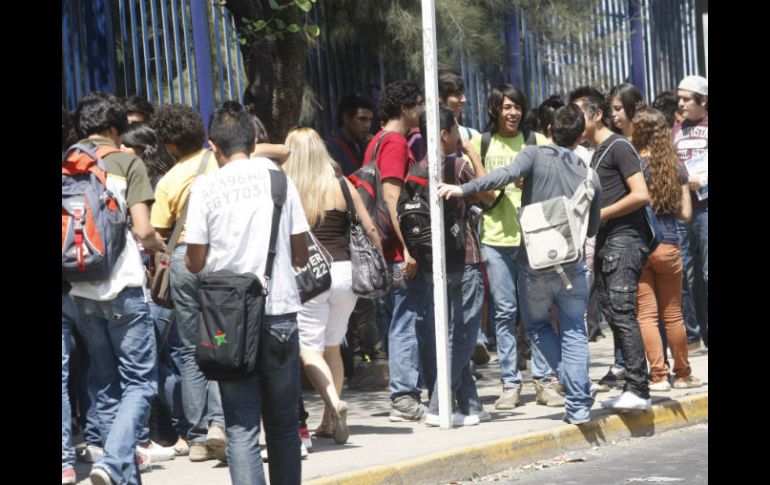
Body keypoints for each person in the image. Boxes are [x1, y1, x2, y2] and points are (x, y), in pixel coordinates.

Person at [439, 104, 603, 425]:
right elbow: (593, 228)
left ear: (551, 131)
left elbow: (503, 176)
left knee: (539, 327)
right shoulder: (590, 173)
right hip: (572, 263)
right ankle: (579, 403)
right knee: (573, 330)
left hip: (536, 261)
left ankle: (576, 390)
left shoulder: (534, 154)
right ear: (580, 136)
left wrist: (462, 188)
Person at [184, 101, 310, 485]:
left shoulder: (205, 186)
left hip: (229, 323)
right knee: (284, 425)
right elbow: (301, 253)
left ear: (212, 147)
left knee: (240, 427)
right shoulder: (277, 179)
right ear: (255, 140)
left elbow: (194, 261)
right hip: (279, 316)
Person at [67, 92, 164, 485]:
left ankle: (118, 472)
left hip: (80, 291)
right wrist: (158, 246)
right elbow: (142, 229)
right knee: (141, 383)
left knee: (105, 385)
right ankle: (115, 460)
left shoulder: (67, 163)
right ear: (113, 128)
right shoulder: (128, 162)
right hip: (122, 287)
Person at [283, 127, 382, 444]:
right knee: (333, 347)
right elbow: (369, 227)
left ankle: (334, 402)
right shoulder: (342, 184)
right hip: (345, 275)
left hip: (310, 275)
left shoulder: (289, 188)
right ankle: (329, 420)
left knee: (308, 351)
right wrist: (380, 259)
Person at [470, 84, 560, 410]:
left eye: (517, 107)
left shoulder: (536, 142)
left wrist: (533, 180)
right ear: (494, 109)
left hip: (532, 238)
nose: (513, 112)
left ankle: (543, 381)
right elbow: (477, 191)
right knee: (505, 313)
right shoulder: (481, 144)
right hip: (495, 239)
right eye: (507, 107)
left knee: (536, 313)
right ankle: (510, 383)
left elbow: (556, 180)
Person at [151, 104, 227, 462]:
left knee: (190, 350)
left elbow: (157, 234)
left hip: (183, 260)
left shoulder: (168, 181)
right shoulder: (221, 161)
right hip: (220, 256)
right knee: (221, 340)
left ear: (169, 145)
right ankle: (220, 424)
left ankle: (196, 438)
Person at [569, 86, 652, 412]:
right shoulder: (596, 151)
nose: (574, 120)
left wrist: (600, 213)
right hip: (607, 242)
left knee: (622, 313)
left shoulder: (618, 147)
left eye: (578, 112)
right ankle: (634, 386)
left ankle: (639, 390)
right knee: (614, 315)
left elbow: (641, 194)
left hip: (625, 241)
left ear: (597, 114)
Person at [363, 80, 434, 422]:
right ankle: (404, 397)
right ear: (404, 108)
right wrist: (409, 248)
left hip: (388, 248)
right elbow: (393, 199)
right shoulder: (392, 143)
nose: (422, 110)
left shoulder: (376, 141)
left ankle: (408, 391)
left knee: (403, 317)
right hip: (396, 251)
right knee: (407, 319)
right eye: (418, 104)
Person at [419, 107, 494, 426]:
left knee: (454, 334)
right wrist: (474, 153)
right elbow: (489, 195)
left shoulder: (418, 168)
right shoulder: (457, 164)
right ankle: (439, 407)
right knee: (461, 338)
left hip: (434, 263)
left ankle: (471, 405)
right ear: (445, 134)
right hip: (464, 260)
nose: (459, 135)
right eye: (456, 130)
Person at [631, 107, 704, 391]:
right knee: (673, 314)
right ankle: (683, 374)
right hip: (669, 243)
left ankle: (658, 376)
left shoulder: (632, 165)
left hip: (640, 246)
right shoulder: (676, 166)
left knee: (646, 315)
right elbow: (686, 213)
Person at [673, 75, 708, 348]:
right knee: (683, 272)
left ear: (703, 100)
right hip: (681, 212)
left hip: (706, 211)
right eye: (679, 98)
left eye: (686, 99)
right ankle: (693, 334)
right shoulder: (676, 130)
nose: (681, 103)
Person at [325, 93, 375, 175]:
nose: (368, 125)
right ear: (347, 118)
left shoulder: (364, 144)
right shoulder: (332, 148)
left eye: (370, 120)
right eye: (362, 119)